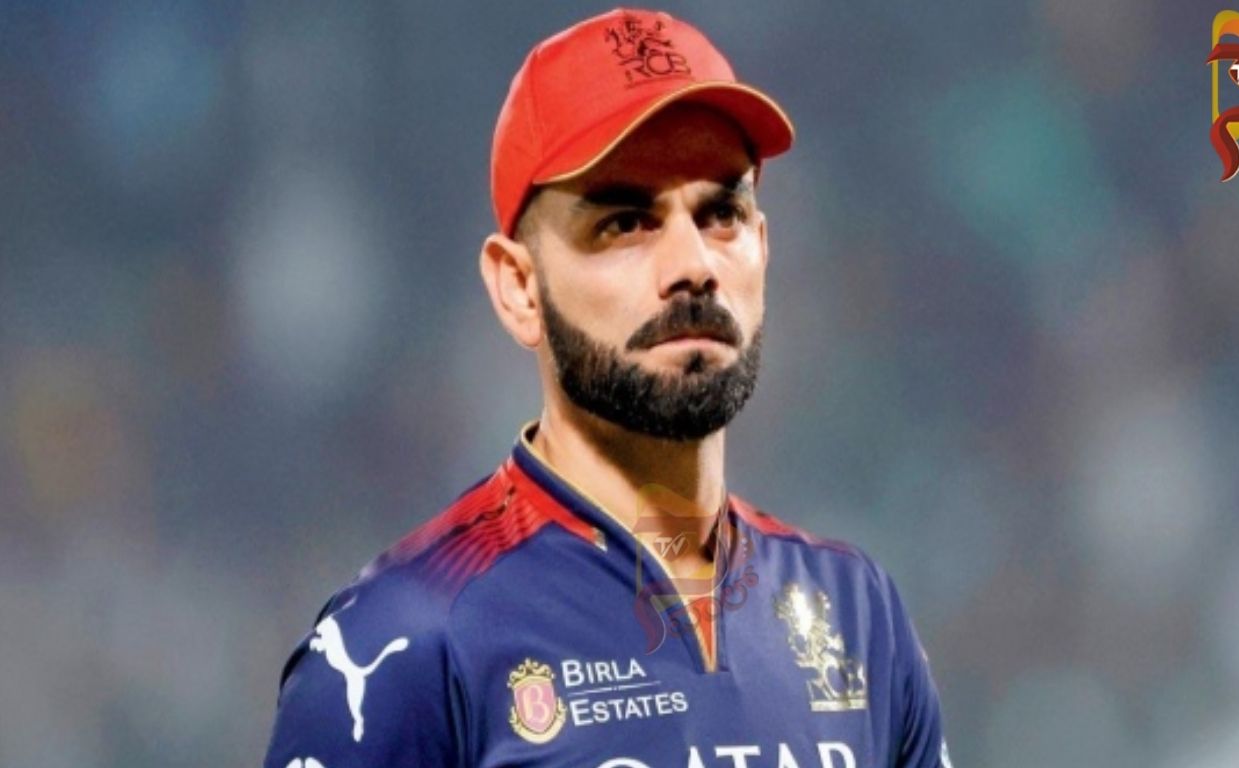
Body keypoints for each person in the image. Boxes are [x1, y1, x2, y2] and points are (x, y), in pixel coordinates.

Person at [264, 8, 950, 768]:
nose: (693, 265)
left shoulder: (858, 615)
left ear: (763, 245)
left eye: (722, 214)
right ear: (519, 287)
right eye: (626, 223)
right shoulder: (409, 640)